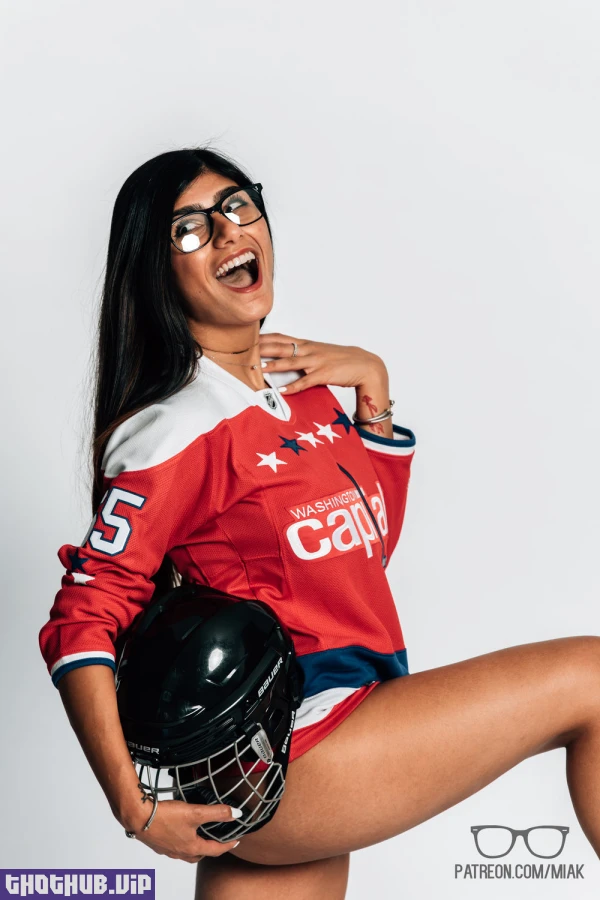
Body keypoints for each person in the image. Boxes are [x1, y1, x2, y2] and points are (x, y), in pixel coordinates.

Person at [39, 146, 600, 900]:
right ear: (156, 269)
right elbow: (82, 617)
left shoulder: (302, 391)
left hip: (327, 733)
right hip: (301, 743)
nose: (228, 230)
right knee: (593, 678)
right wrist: (133, 807)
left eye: (238, 206)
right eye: (190, 228)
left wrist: (374, 390)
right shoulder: (174, 430)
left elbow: (363, 549)